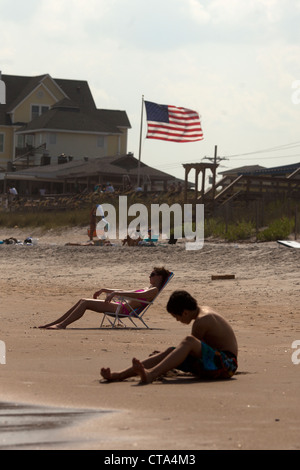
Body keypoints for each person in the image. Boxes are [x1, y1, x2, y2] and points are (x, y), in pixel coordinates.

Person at [100, 290, 238, 384]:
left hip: (227, 365)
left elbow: (191, 350)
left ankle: (151, 374)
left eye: (176, 317)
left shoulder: (202, 321)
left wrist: (167, 359)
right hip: (216, 360)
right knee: (170, 351)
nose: (178, 321)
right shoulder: (202, 312)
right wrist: (166, 356)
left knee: (188, 341)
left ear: (184, 313)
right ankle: (119, 375)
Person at [38, 267, 171, 330]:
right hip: (119, 305)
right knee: (82, 300)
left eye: (152, 274)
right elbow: (130, 293)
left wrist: (115, 293)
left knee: (85, 302)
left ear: (159, 277)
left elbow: (137, 296)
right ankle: (54, 323)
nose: (150, 276)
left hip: (122, 309)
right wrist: (105, 290)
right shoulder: (148, 287)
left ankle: (61, 325)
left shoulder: (153, 290)